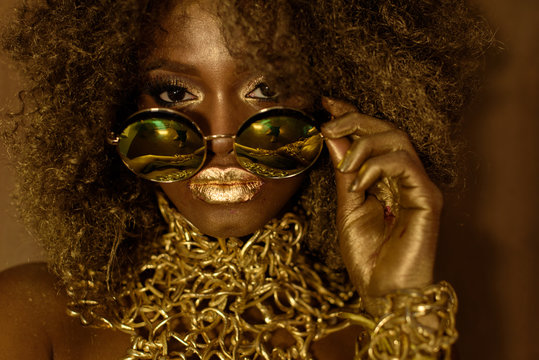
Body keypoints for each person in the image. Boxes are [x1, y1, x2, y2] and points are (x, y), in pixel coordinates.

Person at [0, 0, 494, 359]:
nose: (222, 140)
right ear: (116, 106)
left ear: (332, 104)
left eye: (266, 89)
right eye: (175, 92)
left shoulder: (365, 336)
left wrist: (401, 308)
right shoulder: (31, 319)